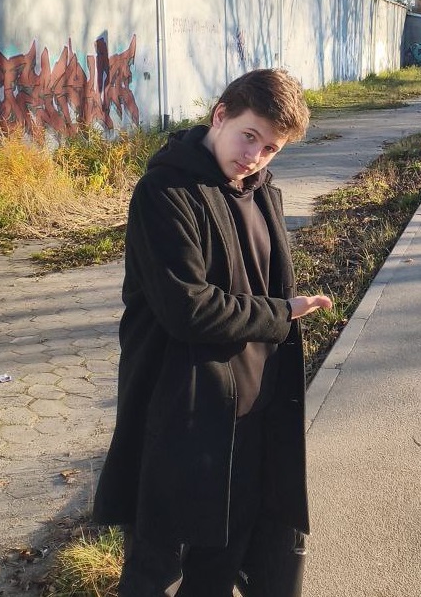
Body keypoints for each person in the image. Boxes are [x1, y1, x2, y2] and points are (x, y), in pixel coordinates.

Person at [92, 68, 333, 597]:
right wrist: (282, 314)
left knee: (222, 566)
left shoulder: (263, 192)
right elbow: (188, 309)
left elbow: (263, 280)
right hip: (183, 415)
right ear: (220, 115)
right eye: (249, 136)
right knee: (158, 568)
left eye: (270, 148)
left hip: (250, 415)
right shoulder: (165, 192)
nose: (254, 156)